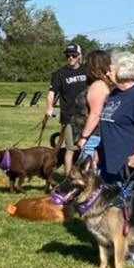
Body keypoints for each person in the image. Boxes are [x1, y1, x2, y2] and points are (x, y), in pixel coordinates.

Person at [94, 51, 134, 189]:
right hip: (108, 164)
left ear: (123, 70)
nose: (107, 73)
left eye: (111, 69)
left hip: (127, 165)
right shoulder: (115, 93)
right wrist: (99, 151)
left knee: (123, 208)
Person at [47, 43, 89, 174]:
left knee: (87, 148)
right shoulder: (59, 74)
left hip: (87, 116)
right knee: (70, 148)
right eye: (68, 55)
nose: (70, 57)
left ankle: (87, 176)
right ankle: (68, 179)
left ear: (79, 56)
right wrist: (49, 108)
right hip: (69, 117)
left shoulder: (87, 71)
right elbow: (52, 93)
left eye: (74, 55)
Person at [75, 50, 114, 164]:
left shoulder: (98, 86)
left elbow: (95, 114)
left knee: (88, 175)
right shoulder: (107, 84)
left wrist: (84, 137)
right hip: (100, 135)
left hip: (93, 137)